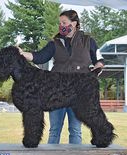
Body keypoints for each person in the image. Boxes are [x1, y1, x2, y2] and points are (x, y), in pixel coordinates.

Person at [19, 10, 104, 144]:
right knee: (55, 129)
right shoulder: (55, 43)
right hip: (56, 89)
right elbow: (39, 57)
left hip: (80, 88)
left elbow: (99, 59)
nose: (61, 25)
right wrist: (23, 54)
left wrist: (99, 65)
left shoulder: (89, 41)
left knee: (75, 129)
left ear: (74, 23)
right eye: (60, 23)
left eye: (64, 22)